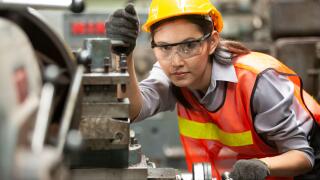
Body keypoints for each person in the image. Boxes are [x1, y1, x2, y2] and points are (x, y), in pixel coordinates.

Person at [105, 0, 320, 179]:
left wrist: (262, 165)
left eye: (189, 45)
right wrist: (123, 54)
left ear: (212, 42)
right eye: (165, 48)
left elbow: (303, 156)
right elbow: (132, 111)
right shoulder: (170, 74)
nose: (176, 61)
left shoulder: (256, 81)